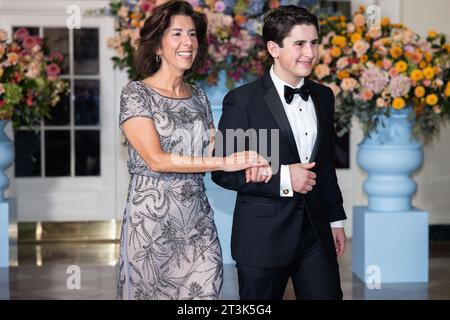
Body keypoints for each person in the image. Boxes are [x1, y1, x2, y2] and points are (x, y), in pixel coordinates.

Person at [117, 0, 269, 300]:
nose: (188, 41)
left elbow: (215, 145)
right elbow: (157, 160)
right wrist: (224, 162)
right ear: (157, 46)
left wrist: (262, 155)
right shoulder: (136, 93)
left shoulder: (198, 96)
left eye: (192, 34)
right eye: (177, 34)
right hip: (150, 230)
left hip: (198, 226)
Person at [212, 5, 347, 300]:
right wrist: (285, 177)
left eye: (314, 42)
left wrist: (335, 220)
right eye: (299, 44)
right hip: (262, 238)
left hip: (316, 235)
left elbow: (324, 166)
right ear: (273, 47)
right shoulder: (242, 101)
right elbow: (222, 171)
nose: (309, 53)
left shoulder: (324, 96)